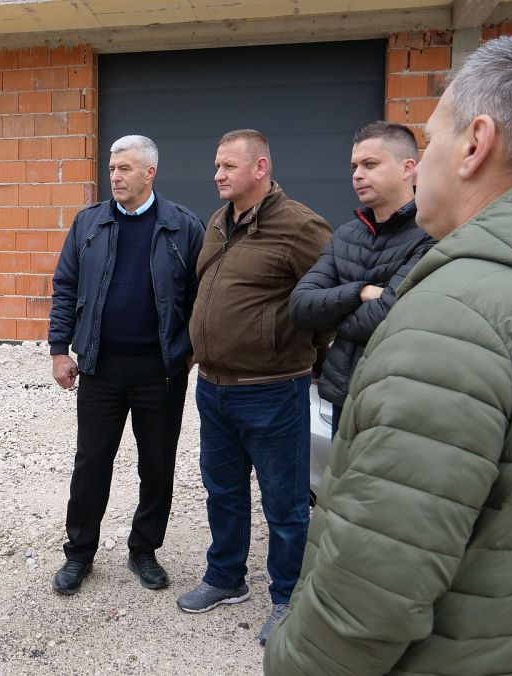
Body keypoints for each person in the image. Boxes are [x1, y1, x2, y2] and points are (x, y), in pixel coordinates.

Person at [264, 34, 512, 674]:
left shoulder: (454, 315)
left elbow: (371, 590)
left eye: (429, 142)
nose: (419, 165)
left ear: (476, 144)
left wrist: (293, 660)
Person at [179, 129, 332, 646]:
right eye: (217, 165)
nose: (217, 175)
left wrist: (315, 359)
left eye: (228, 166)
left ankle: (288, 597)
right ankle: (226, 577)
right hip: (214, 387)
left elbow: (326, 303)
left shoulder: (300, 226)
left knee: (284, 502)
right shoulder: (219, 221)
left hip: (272, 390)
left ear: (260, 168)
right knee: (222, 490)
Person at [47, 135, 205, 595]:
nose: (115, 176)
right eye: (112, 168)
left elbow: (201, 296)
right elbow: (65, 286)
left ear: (150, 173)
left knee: (157, 464)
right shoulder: (89, 223)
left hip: (161, 370)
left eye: (125, 169)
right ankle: (79, 553)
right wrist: (60, 349)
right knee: (91, 462)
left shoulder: (183, 226)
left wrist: (190, 350)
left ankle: (144, 550)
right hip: (101, 365)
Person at [288, 121, 434, 436]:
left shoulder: (431, 232)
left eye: (370, 164)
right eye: (354, 166)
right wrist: (360, 292)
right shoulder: (347, 234)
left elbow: (390, 316)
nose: (357, 174)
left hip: (400, 398)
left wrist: (332, 316)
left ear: (407, 168)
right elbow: (300, 306)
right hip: (345, 396)